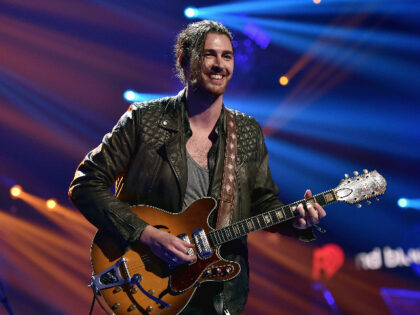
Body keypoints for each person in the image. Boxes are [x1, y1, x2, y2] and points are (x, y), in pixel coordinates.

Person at [69, 20, 326, 315]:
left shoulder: (247, 131)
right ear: (185, 62)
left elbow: (262, 201)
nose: (220, 65)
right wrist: (147, 234)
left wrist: (295, 220)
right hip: (148, 286)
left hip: (218, 295)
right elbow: (85, 184)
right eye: (209, 55)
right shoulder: (144, 120)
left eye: (226, 56)